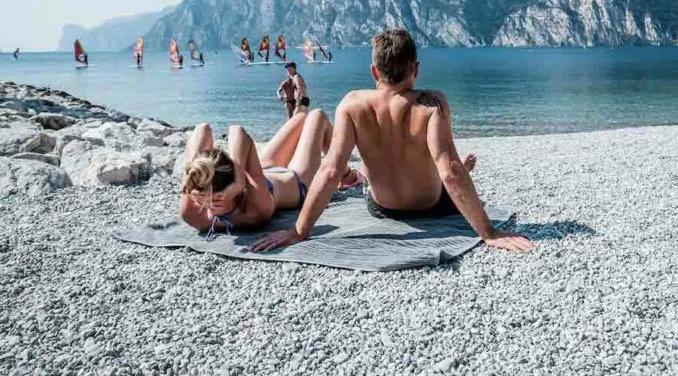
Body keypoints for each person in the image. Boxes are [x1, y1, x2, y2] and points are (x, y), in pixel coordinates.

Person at [251, 29, 533, 253]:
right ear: (416, 69)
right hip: (431, 206)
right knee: (448, 172)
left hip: (382, 208)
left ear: (374, 71)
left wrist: (300, 232)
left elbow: (330, 170)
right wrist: (489, 233)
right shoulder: (432, 104)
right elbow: (451, 171)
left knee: (375, 178)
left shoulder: (352, 104)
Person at [179, 111, 362, 234]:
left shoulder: (193, 213)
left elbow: (210, 129)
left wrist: (238, 178)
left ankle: (346, 175)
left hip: (263, 171)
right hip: (295, 178)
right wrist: (239, 181)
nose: (196, 200)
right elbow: (231, 131)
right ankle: (348, 177)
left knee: (301, 116)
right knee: (317, 116)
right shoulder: (255, 211)